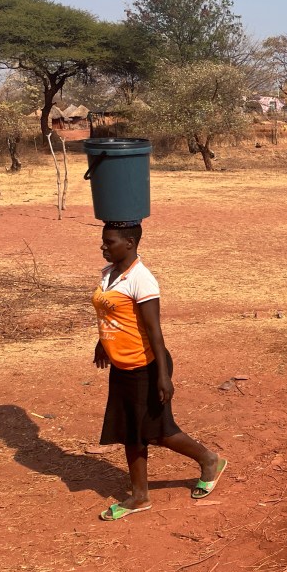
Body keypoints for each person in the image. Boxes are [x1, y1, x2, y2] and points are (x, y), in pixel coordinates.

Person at [92, 220, 226, 520]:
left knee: (158, 432)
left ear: (130, 243)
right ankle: (139, 497)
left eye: (109, 242)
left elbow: (155, 331)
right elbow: (110, 313)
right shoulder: (110, 274)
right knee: (130, 432)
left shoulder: (141, 279)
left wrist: (163, 376)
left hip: (147, 366)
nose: (103, 246)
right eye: (103, 241)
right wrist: (102, 343)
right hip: (122, 365)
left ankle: (209, 459)